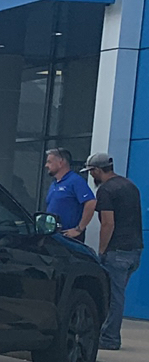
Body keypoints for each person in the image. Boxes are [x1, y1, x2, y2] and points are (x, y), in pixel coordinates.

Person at [86, 152, 142, 351]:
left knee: (112, 297)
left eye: (91, 171)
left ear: (98, 170)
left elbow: (108, 223)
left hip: (116, 250)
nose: (91, 175)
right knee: (117, 294)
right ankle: (107, 335)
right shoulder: (130, 186)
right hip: (135, 249)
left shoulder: (105, 190)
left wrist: (102, 250)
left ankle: (109, 339)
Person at [44, 148, 96, 239]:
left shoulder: (75, 181)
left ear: (61, 162)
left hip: (68, 237)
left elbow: (91, 202)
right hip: (52, 235)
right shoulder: (54, 183)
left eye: (49, 162)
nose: (46, 165)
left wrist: (79, 229)